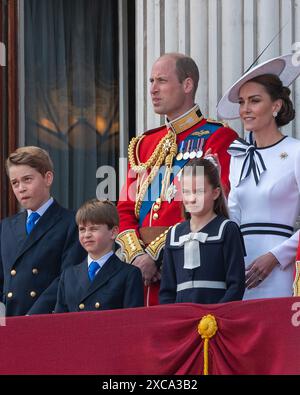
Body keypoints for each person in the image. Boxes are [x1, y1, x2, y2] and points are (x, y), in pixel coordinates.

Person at [116, 53, 238, 306]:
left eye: (161, 80)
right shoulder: (144, 144)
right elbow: (125, 207)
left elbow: (212, 206)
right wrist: (137, 255)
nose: (153, 89)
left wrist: (154, 254)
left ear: (187, 85)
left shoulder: (217, 137)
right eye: (151, 81)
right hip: (138, 276)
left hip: (188, 268)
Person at [217, 53, 300, 300]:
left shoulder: (296, 152)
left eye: (254, 101)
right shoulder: (238, 156)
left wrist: (277, 257)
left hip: (280, 269)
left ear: (276, 106)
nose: (245, 109)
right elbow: (233, 216)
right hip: (238, 267)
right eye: (242, 102)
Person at [0, 146, 86, 316]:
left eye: (27, 179)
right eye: (15, 183)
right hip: (9, 322)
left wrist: (32, 318)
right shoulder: (5, 227)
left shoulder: (72, 223)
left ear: (47, 178)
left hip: (46, 320)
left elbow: (67, 279)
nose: (21, 188)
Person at [159, 158, 245, 304]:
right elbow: (167, 290)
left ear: (216, 193)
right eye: (186, 192)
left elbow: (236, 285)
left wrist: (215, 316)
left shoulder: (227, 229)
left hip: (217, 320)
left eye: (199, 191)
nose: (191, 199)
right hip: (181, 320)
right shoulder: (174, 234)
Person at [54, 199, 144, 313]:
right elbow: (60, 322)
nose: (86, 235)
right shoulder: (68, 275)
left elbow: (132, 322)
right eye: (82, 229)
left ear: (113, 232)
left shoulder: (128, 274)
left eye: (93, 229)